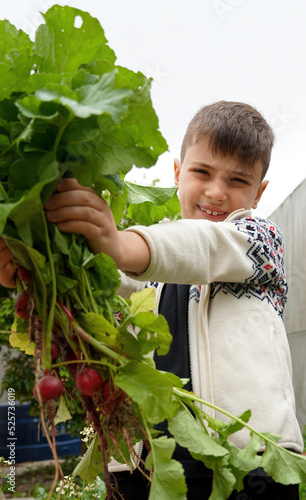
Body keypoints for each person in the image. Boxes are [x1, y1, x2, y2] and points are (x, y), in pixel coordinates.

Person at [0, 101, 303, 499]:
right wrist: (35, 262)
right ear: (177, 173)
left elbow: (206, 247)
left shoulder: (259, 244)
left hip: (249, 465)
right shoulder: (148, 273)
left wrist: (120, 243)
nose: (216, 191)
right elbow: (107, 279)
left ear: (259, 193)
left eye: (237, 181)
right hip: (142, 469)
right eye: (202, 172)